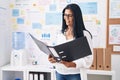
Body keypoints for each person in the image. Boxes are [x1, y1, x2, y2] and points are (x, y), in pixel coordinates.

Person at [48, 3, 93, 80]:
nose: (66, 18)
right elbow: (58, 52)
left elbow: (89, 59)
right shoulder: (60, 33)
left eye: (70, 15)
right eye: (65, 15)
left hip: (75, 74)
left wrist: (72, 64)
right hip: (59, 73)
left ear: (76, 17)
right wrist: (52, 58)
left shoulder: (84, 34)